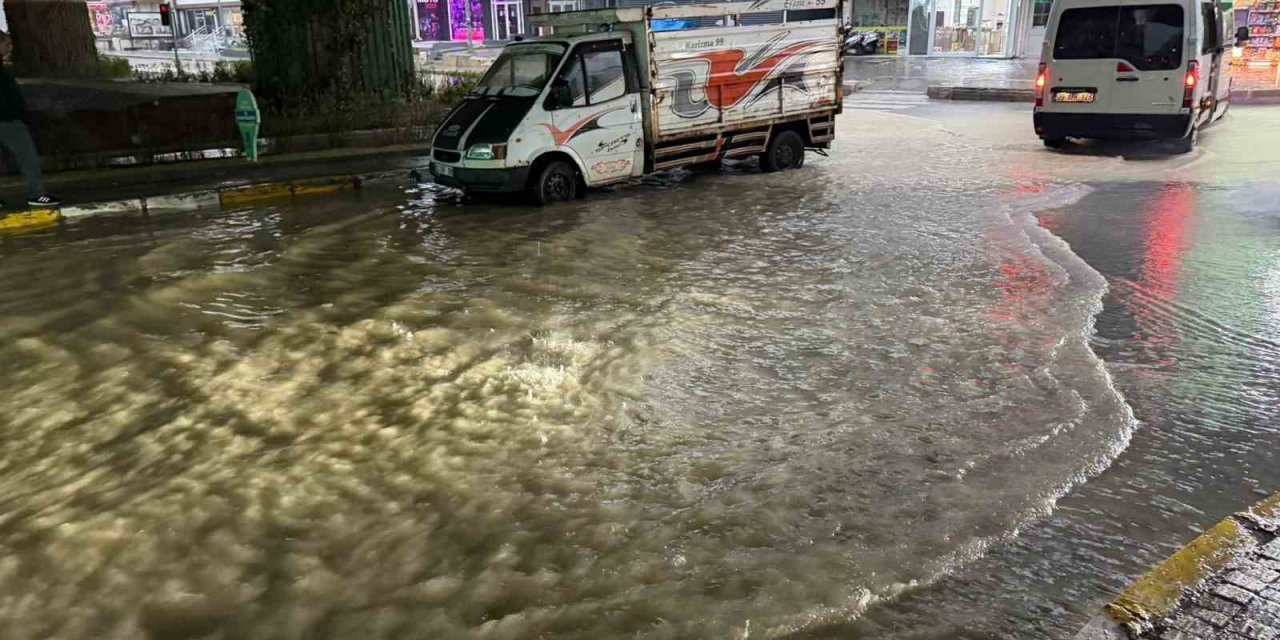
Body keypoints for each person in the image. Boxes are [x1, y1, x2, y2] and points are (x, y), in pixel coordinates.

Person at [0, 31, 59, 208]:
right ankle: (37, 194)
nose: (9, 48)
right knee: (27, 155)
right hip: (7, 119)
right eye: (6, 44)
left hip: (7, 118)